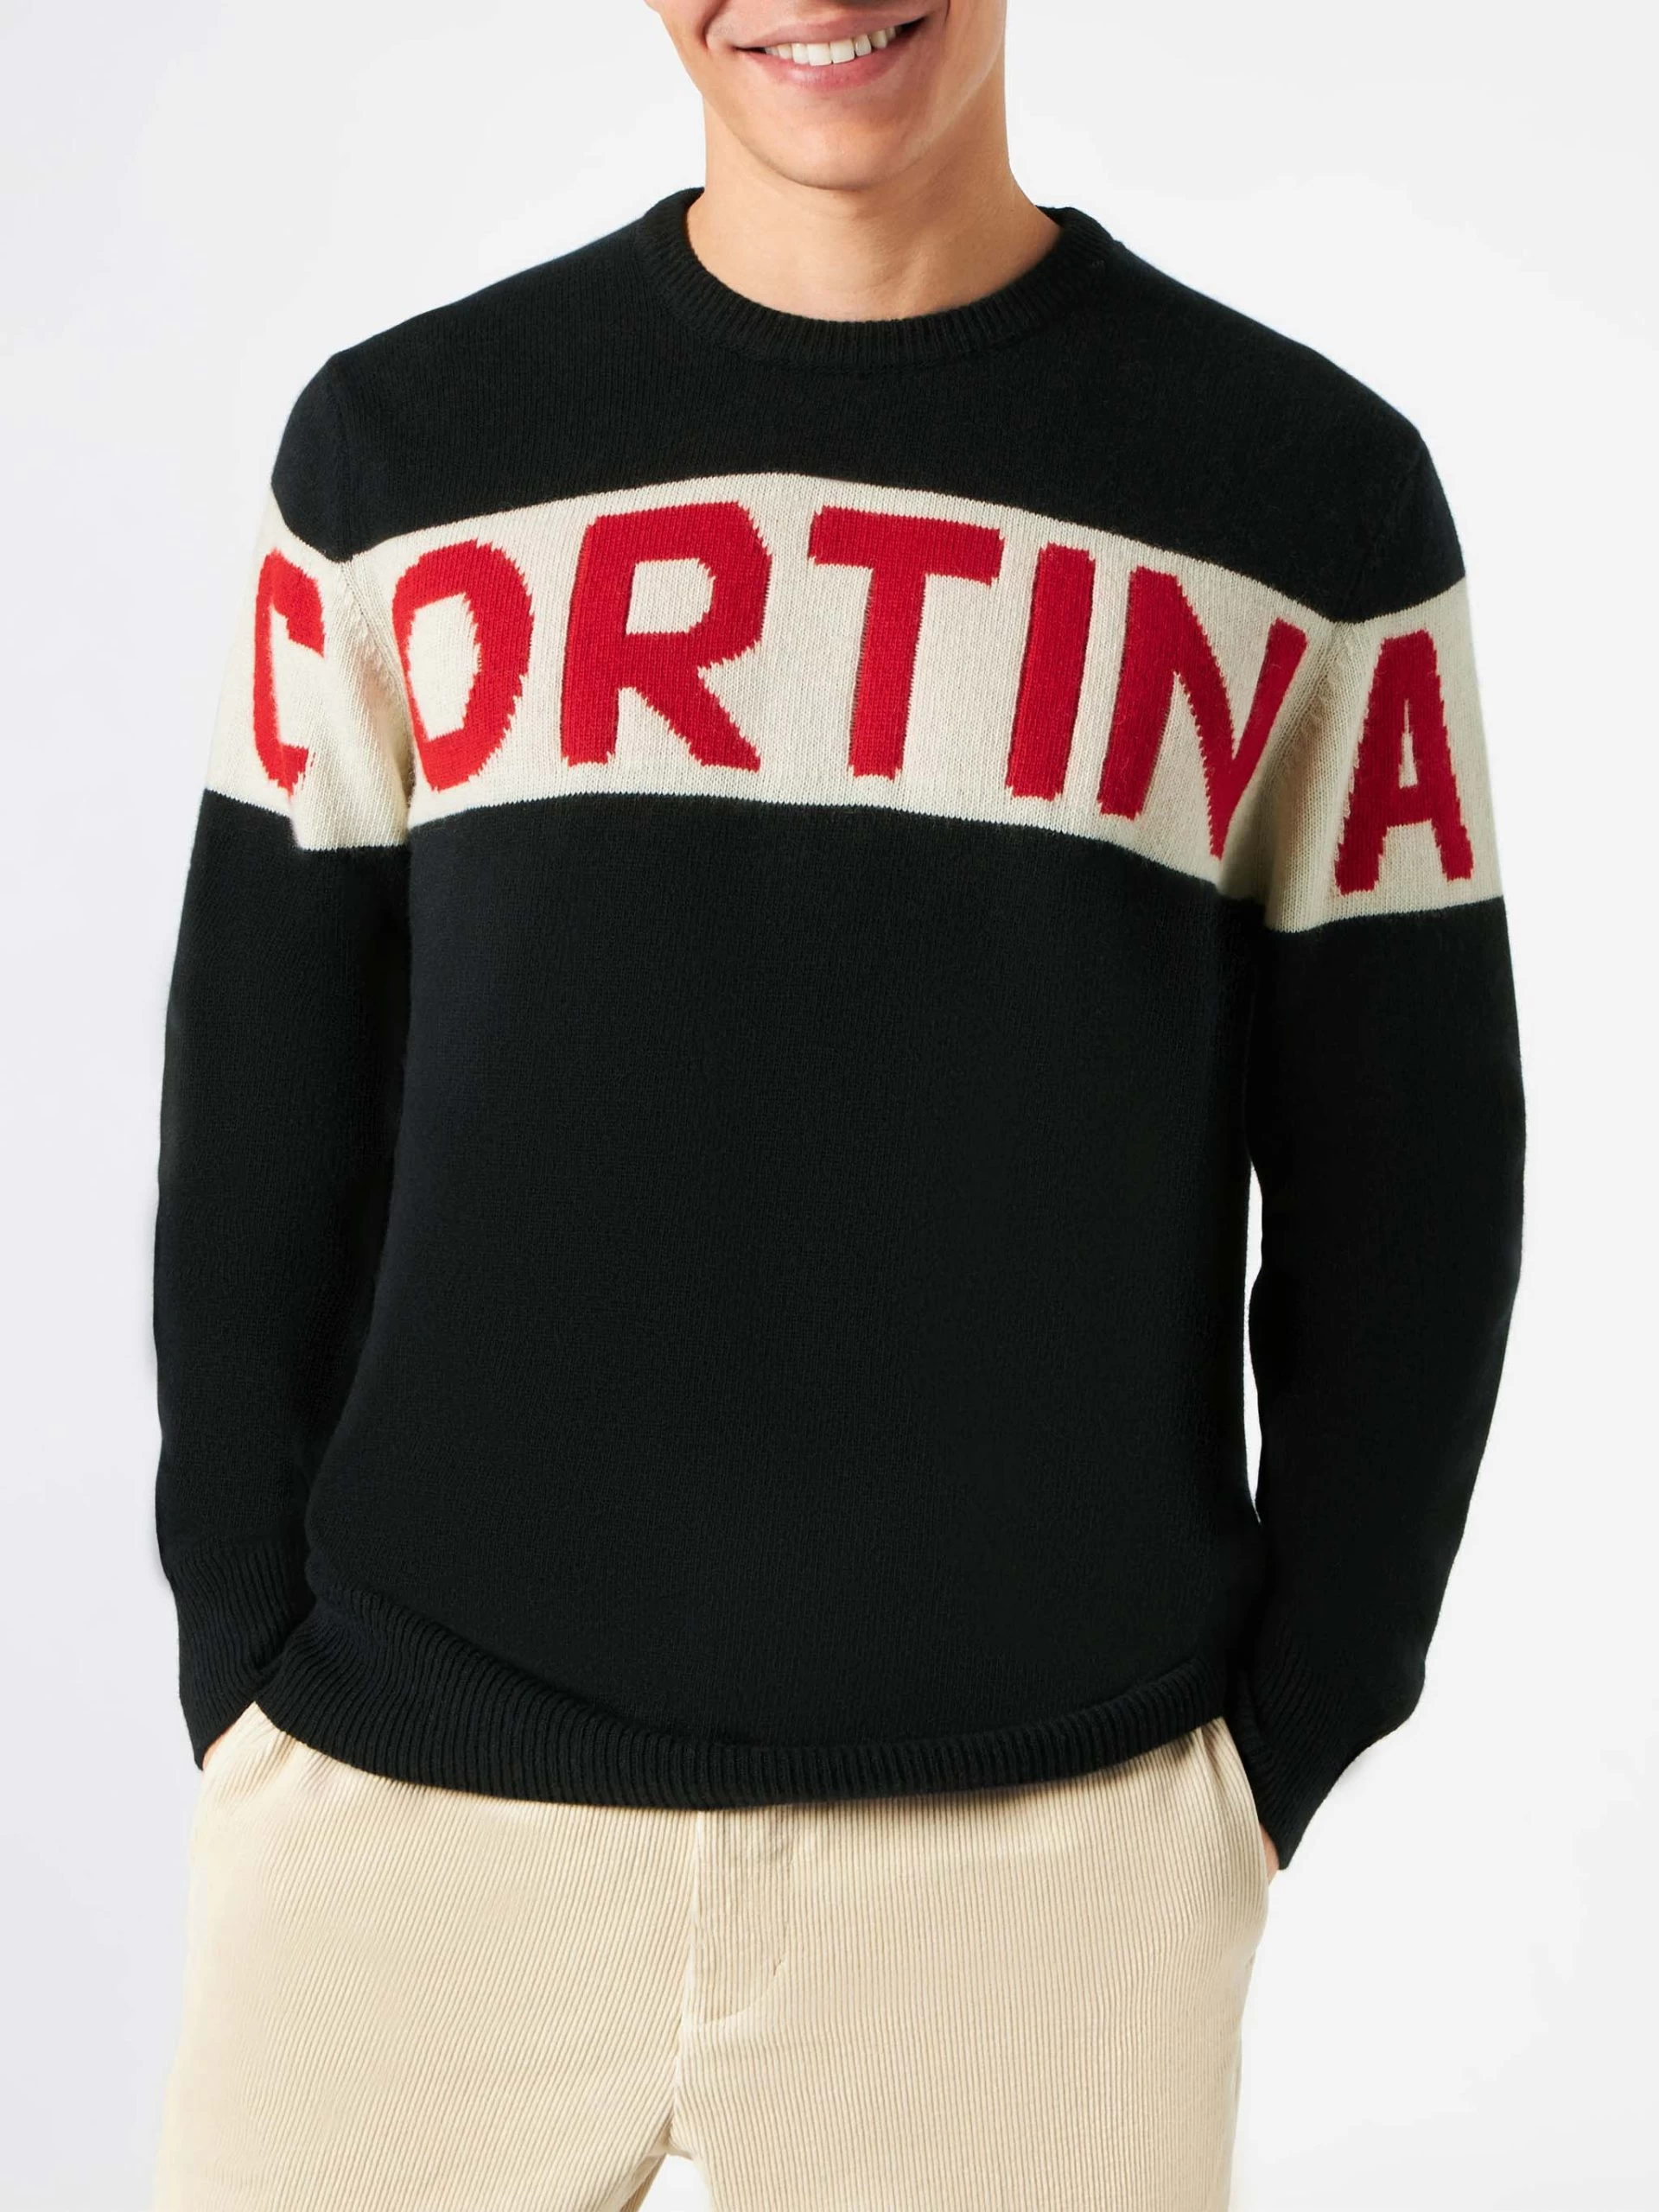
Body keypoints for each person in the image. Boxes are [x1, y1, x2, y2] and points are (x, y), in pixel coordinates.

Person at [148, 4, 1526, 2208]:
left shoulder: (1301, 495)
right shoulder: (405, 457)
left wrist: (1276, 1742)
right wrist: (244, 1650)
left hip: (1043, 1863)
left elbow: (1413, 1174)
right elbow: (261, 1104)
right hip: (404, 1815)